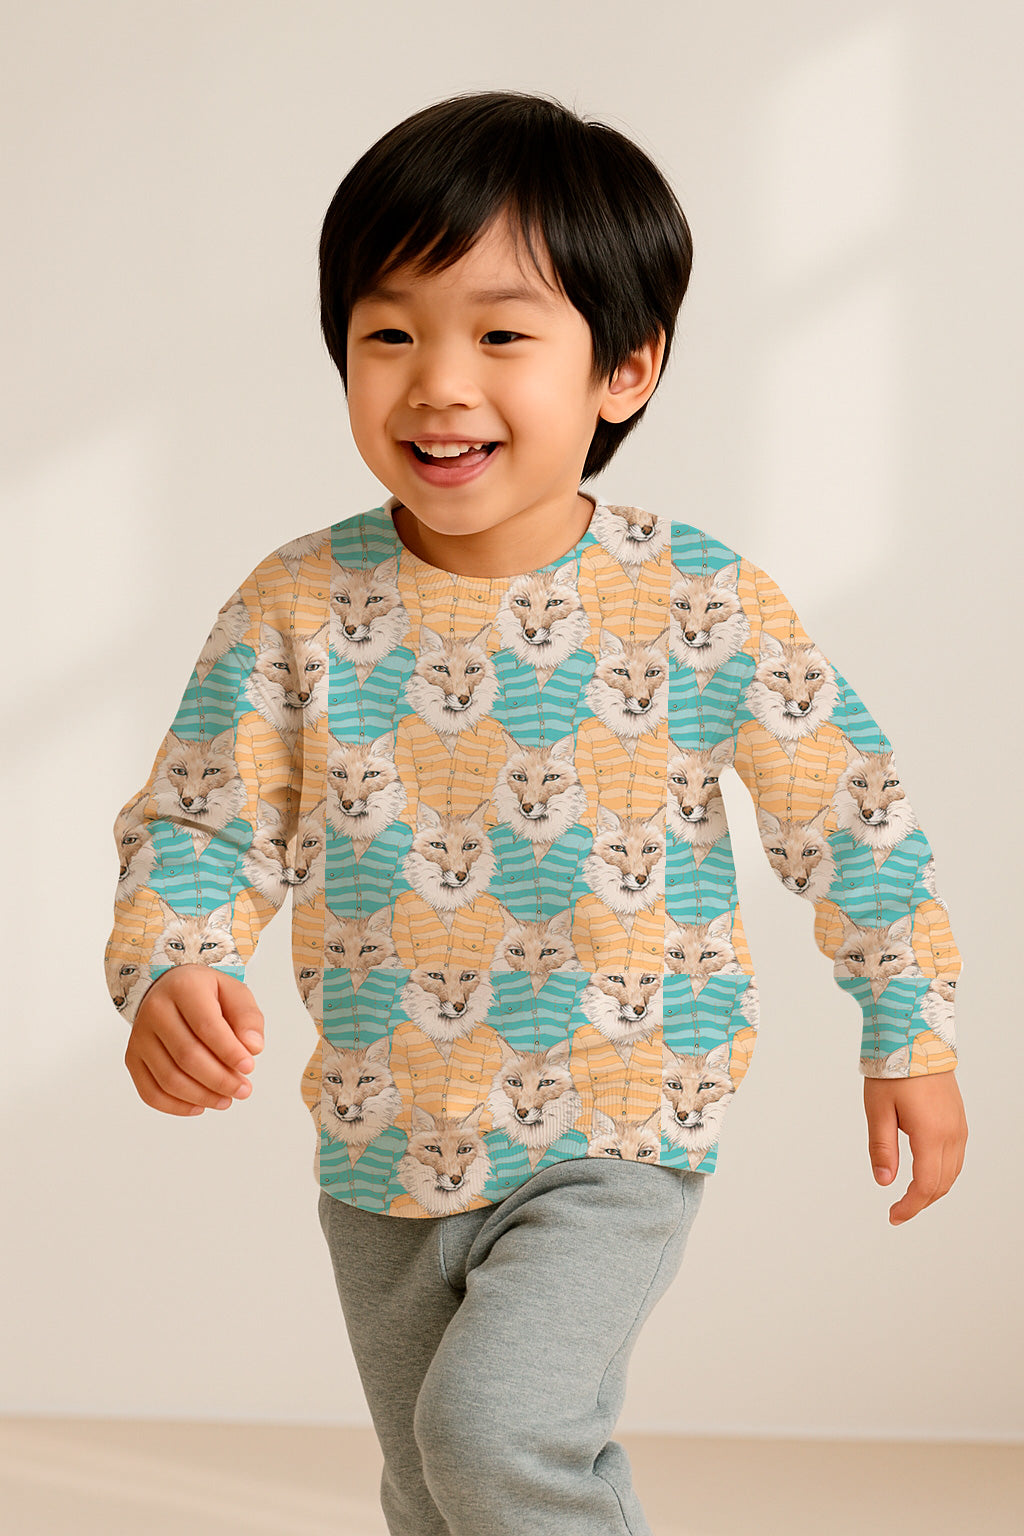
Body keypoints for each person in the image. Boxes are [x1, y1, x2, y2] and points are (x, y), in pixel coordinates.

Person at [104, 89, 968, 1536]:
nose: (438, 383)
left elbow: (852, 817)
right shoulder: (294, 604)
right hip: (382, 1135)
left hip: (615, 1119)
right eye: (390, 334)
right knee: (433, 1485)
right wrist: (170, 962)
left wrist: (910, 1026)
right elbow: (201, 823)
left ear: (624, 369)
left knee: (495, 1435)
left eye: (502, 335)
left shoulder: (702, 601)